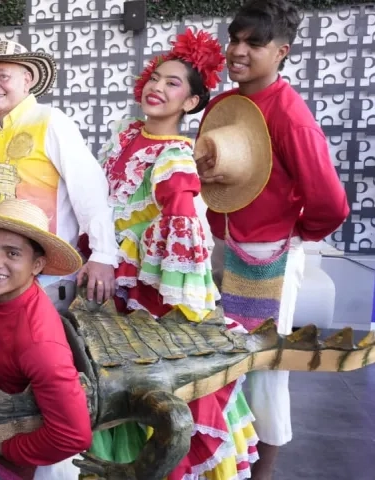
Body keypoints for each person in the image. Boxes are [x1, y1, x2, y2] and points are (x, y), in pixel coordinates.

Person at [90, 29, 258, 480]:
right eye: (155, 77)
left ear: (190, 103)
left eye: (173, 84)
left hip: (149, 295)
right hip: (108, 279)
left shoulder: (175, 159)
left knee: (141, 385)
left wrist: (160, 302)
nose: (158, 88)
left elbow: (182, 232)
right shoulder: (125, 136)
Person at [195, 1, 350, 478]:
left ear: (281, 51)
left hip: (268, 258)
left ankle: (263, 473)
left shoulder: (290, 114)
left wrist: (292, 234)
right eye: (235, 39)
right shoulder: (223, 104)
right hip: (218, 246)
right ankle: (224, 460)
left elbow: (331, 202)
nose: (238, 51)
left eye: (254, 43)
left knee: (263, 368)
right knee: (217, 360)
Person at [0, 41, 117, 311]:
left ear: (27, 80)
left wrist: (103, 253)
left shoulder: (51, 121)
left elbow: (88, 188)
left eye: (2, 76)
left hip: (47, 277)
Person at [0, 198, 91, 479]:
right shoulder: (3, 296)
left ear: (37, 265)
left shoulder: (40, 344)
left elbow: (74, 436)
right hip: (6, 434)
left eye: (12, 253)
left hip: (33, 464)